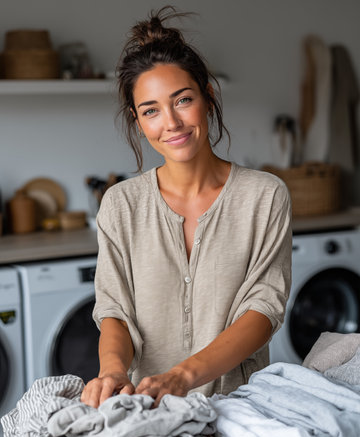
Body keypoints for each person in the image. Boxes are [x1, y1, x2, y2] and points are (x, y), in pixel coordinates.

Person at [81, 6, 292, 409]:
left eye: (182, 100)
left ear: (207, 98)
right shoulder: (121, 204)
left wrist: (183, 375)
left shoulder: (264, 196)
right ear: (137, 120)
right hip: (150, 408)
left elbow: (263, 310)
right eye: (151, 110)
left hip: (244, 408)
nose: (171, 123)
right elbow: (114, 309)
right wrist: (112, 370)